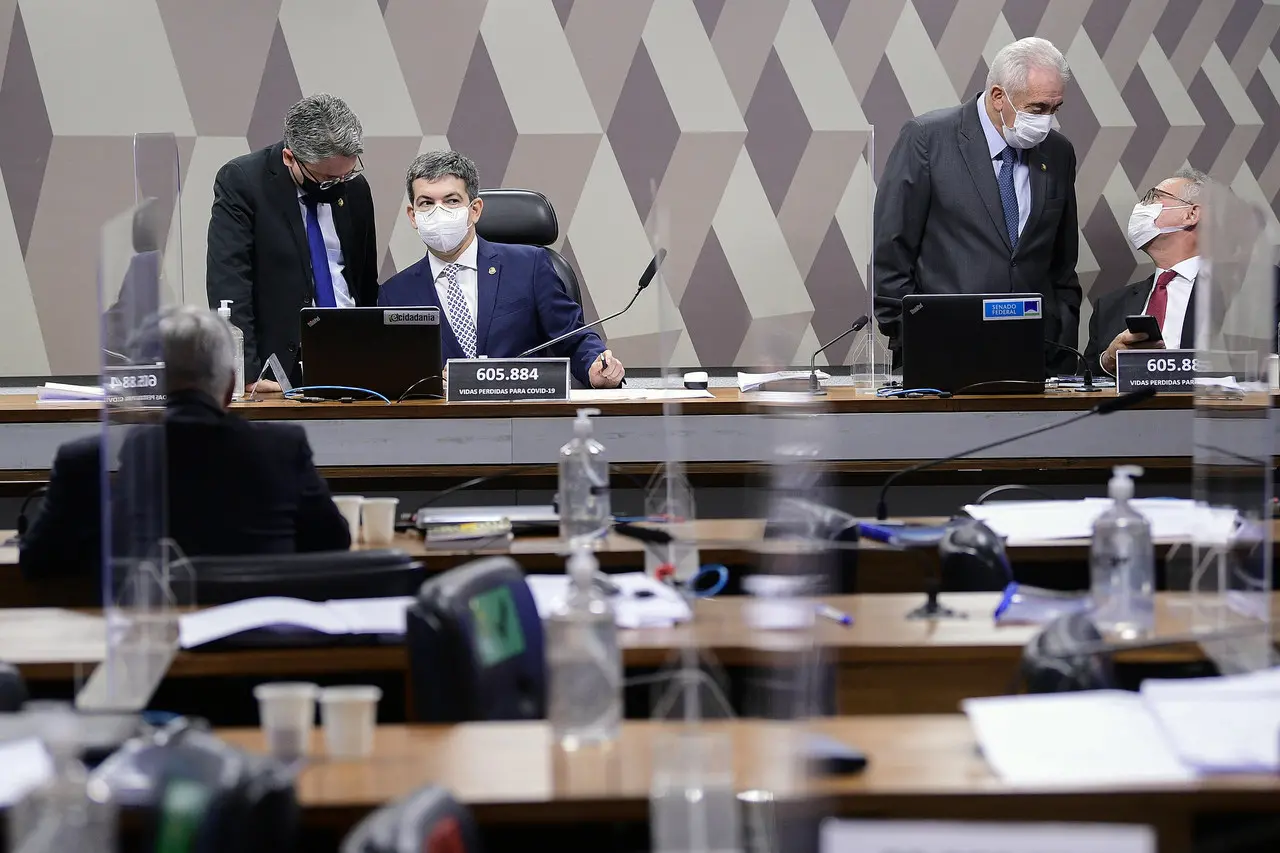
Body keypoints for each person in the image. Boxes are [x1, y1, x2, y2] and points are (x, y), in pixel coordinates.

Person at [19, 306, 351, 580]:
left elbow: (37, 565)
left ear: (150, 384)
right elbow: (334, 543)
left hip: (143, 649)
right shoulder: (282, 449)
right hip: (253, 646)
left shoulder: (87, 461)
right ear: (229, 387)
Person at [873, 37, 1082, 370]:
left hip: (1035, 354)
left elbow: (1062, 262)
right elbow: (891, 252)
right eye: (1038, 108)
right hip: (941, 353)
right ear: (999, 96)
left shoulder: (1058, 153)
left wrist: (1061, 333)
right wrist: (912, 332)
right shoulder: (927, 139)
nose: (1048, 121)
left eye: (1055, 109)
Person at [378, 150, 625, 388]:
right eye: (426, 203)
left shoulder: (529, 266)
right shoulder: (395, 294)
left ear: (474, 210)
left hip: (522, 418)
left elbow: (572, 336)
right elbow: (391, 373)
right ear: (413, 216)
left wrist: (596, 365)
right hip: (441, 424)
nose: (438, 211)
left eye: (452, 201)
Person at [206, 93, 378, 393]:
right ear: (290, 157)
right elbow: (229, 279)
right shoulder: (243, 182)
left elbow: (363, 278)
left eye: (346, 175)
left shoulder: (355, 188)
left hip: (354, 359)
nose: (338, 186)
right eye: (326, 179)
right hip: (275, 370)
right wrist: (244, 371)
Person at [1084, 168, 1206, 376]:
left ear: (1191, 214)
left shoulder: (1249, 291)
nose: (1139, 208)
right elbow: (1083, 380)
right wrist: (1108, 361)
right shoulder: (1109, 306)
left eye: (1152, 198)